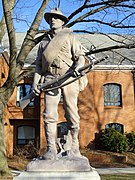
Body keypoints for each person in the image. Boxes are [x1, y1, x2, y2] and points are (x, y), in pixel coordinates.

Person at [32, 8, 87, 160]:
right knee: (48, 115)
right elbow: (38, 66)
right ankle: (51, 149)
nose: (52, 20)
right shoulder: (43, 43)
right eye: (50, 18)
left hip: (68, 77)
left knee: (72, 113)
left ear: (63, 21)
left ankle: (74, 146)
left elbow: (80, 57)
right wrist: (35, 84)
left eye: (56, 18)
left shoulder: (70, 37)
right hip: (50, 79)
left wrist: (77, 67)